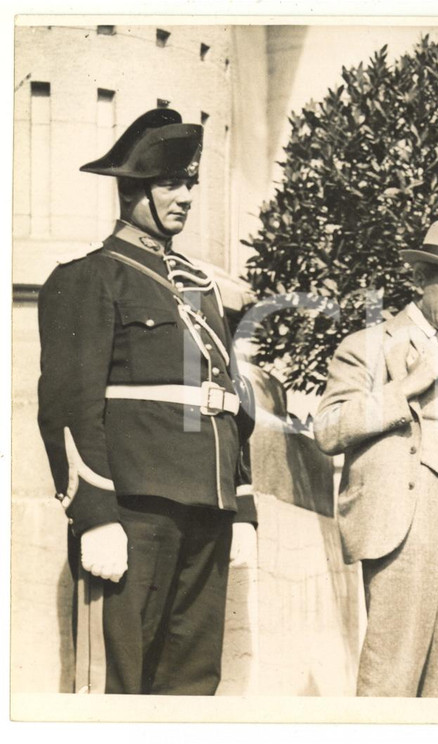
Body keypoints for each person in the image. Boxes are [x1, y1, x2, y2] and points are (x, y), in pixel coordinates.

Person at [36, 109, 257, 695]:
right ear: (133, 189)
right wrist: (95, 516)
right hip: (134, 511)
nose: (186, 196)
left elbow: (231, 401)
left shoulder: (202, 289)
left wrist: (244, 506)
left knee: (191, 687)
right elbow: (67, 408)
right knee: (117, 686)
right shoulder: (91, 277)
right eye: (170, 183)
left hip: (206, 511)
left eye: (190, 182)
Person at [313, 219, 438, 697]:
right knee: (390, 676)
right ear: (421, 280)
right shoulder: (368, 346)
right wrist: (405, 390)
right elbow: (328, 428)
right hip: (404, 522)